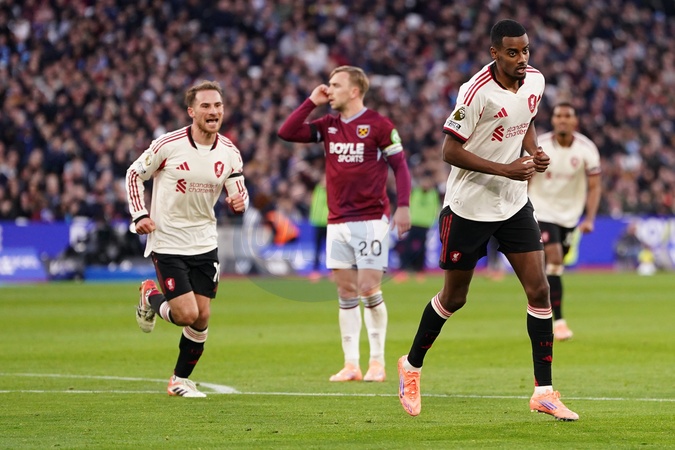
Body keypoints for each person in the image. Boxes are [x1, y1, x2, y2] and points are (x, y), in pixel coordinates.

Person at [397, 19, 579, 421]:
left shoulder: (535, 81)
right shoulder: (475, 91)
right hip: (469, 207)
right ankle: (410, 366)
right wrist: (505, 169)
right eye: (512, 52)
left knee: (540, 290)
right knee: (454, 298)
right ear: (494, 53)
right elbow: (449, 151)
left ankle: (544, 392)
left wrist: (534, 152)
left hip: (513, 204)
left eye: (525, 50)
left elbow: (526, 120)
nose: (521, 58)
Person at [278, 65, 412, 382]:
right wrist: (311, 102)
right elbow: (287, 132)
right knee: (346, 291)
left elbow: (400, 167)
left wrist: (404, 206)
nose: (329, 90)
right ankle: (351, 364)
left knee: (368, 288)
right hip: (337, 220)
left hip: (371, 219)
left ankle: (377, 362)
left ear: (354, 91)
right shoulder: (329, 125)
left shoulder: (379, 125)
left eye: (335, 85)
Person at [125, 80, 249, 397]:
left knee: (202, 316)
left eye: (218, 105)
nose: (213, 111)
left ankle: (179, 380)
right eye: (206, 106)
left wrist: (240, 202)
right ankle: (150, 295)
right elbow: (134, 174)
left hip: (205, 241)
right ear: (191, 111)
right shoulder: (168, 145)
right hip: (167, 240)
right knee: (185, 315)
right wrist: (139, 214)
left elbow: (239, 192)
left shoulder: (230, 152)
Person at [528, 102, 602, 341]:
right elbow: (525, 177)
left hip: (570, 217)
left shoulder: (586, 149)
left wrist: (589, 218)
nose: (562, 119)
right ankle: (558, 322)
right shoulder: (539, 146)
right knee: (556, 258)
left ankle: (537, 298)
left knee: (553, 267)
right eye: (558, 115)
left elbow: (594, 186)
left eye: (567, 116)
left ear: (574, 121)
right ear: (552, 120)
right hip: (541, 211)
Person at [394, 172, 439, 282]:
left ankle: (420, 271)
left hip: (425, 225)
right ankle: (403, 270)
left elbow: (435, 209)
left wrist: (432, 222)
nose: (426, 184)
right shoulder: (415, 192)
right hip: (413, 224)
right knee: (407, 247)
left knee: (422, 249)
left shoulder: (433, 194)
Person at [308, 175, 329, 281]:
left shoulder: (331, 190)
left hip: (328, 222)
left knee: (329, 248)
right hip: (317, 222)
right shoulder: (317, 188)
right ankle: (315, 271)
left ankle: (332, 271)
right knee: (317, 248)